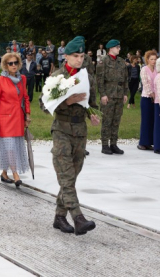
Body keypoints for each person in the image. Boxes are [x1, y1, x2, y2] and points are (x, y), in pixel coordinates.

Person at [48, 36, 99, 235]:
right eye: (75, 56)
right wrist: (67, 101)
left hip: (80, 132)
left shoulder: (87, 77)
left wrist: (93, 115)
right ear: (66, 56)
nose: (79, 59)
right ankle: (78, 218)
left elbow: (91, 104)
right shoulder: (58, 77)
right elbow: (45, 105)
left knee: (71, 176)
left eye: (81, 56)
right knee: (66, 176)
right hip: (61, 130)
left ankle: (59, 217)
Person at [0, 52, 31, 186]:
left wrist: (28, 114)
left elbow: (25, 97)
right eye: (10, 63)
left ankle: (4, 172)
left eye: (15, 63)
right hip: (4, 119)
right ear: (5, 65)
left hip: (18, 118)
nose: (13, 65)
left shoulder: (23, 79)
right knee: (9, 147)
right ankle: (15, 173)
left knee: (13, 146)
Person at [96, 39, 128, 155]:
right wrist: (103, 95)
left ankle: (113, 144)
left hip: (119, 95)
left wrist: (125, 93)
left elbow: (125, 79)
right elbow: (100, 80)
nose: (119, 49)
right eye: (117, 47)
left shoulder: (121, 61)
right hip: (108, 94)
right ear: (111, 48)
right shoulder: (103, 61)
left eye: (119, 47)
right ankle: (105, 144)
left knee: (116, 120)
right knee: (107, 120)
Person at [138, 51, 157, 150]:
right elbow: (145, 84)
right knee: (146, 120)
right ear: (147, 60)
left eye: (155, 59)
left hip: (156, 98)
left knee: (153, 120)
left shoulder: (157, 70)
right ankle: (143, 142)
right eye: (151, 59)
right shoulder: (144, 69)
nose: (153, 61)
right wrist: (152, 95)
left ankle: (150, 142)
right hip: (147, 97)